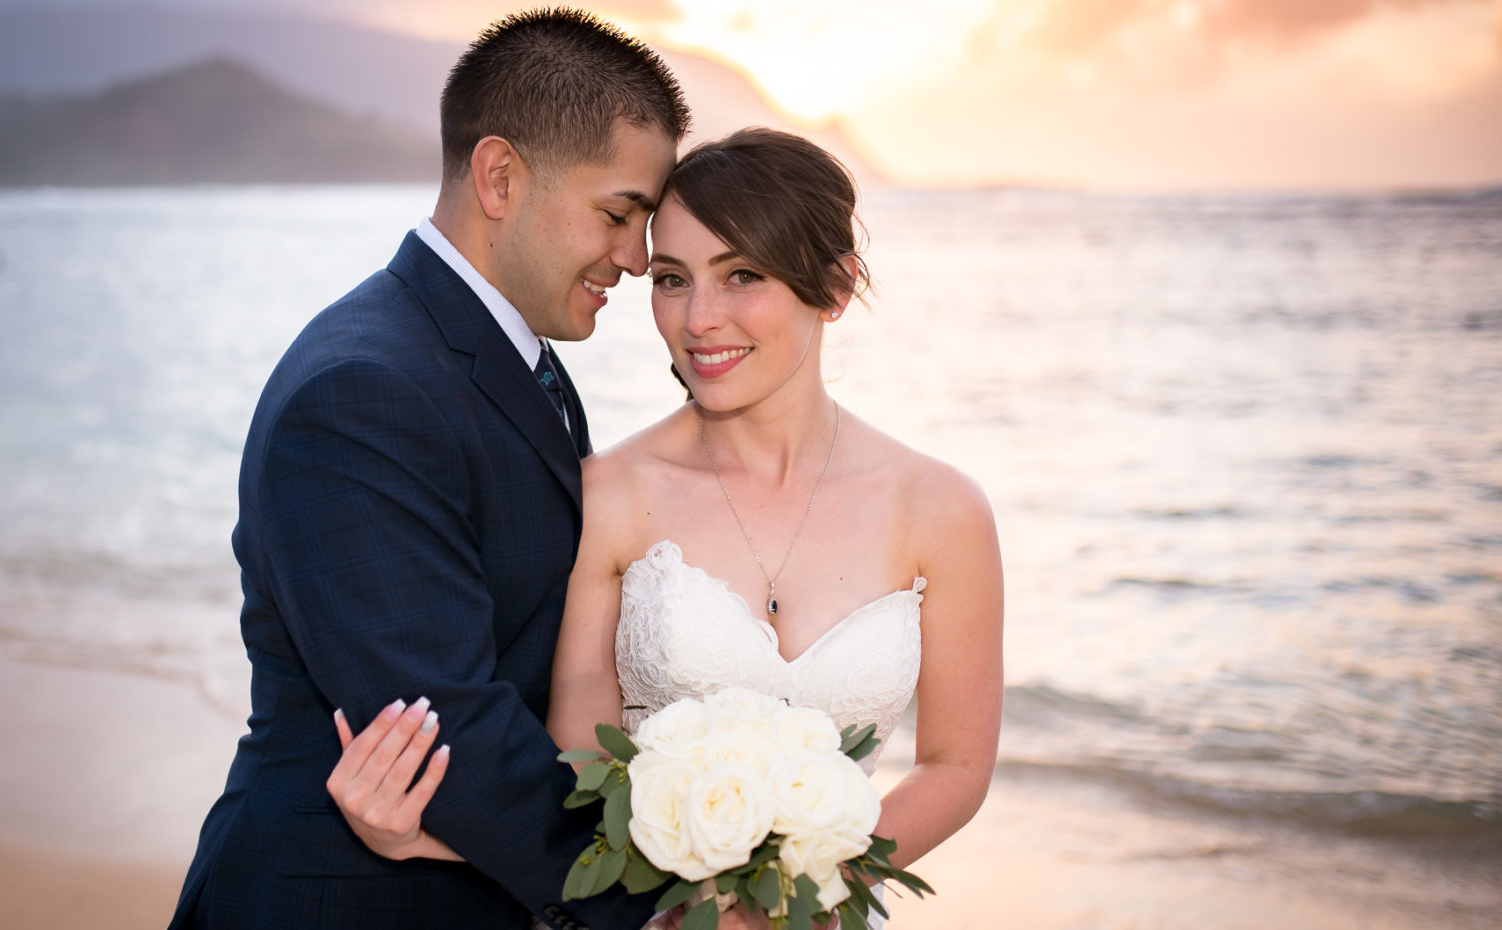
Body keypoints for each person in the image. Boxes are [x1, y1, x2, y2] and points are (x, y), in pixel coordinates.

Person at [330, 128, 1004, 929]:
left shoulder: (943, 509)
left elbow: (954, 767)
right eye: (673, 279)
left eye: (742, 275)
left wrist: (801, 889)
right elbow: (577, 768)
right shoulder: (607, 494)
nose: (699, 319)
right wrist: (421, 836)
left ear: (836, 287)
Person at [165, 9, 690, 930]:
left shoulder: (500, 352)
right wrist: (658, 908)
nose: (636, 260)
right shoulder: (364, 390)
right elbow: (445, 722)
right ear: (499, 177)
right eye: (618, 215)